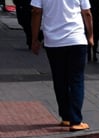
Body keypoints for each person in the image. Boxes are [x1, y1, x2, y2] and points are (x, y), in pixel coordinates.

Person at [30, 0, 93, 131]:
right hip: (76, 39)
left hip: (53, 42)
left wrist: (34, 39)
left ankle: (66, 117)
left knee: (59, 79)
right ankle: (75, 121)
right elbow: (86, 12)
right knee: (76, 80)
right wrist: (91, 35)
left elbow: (36, 12)